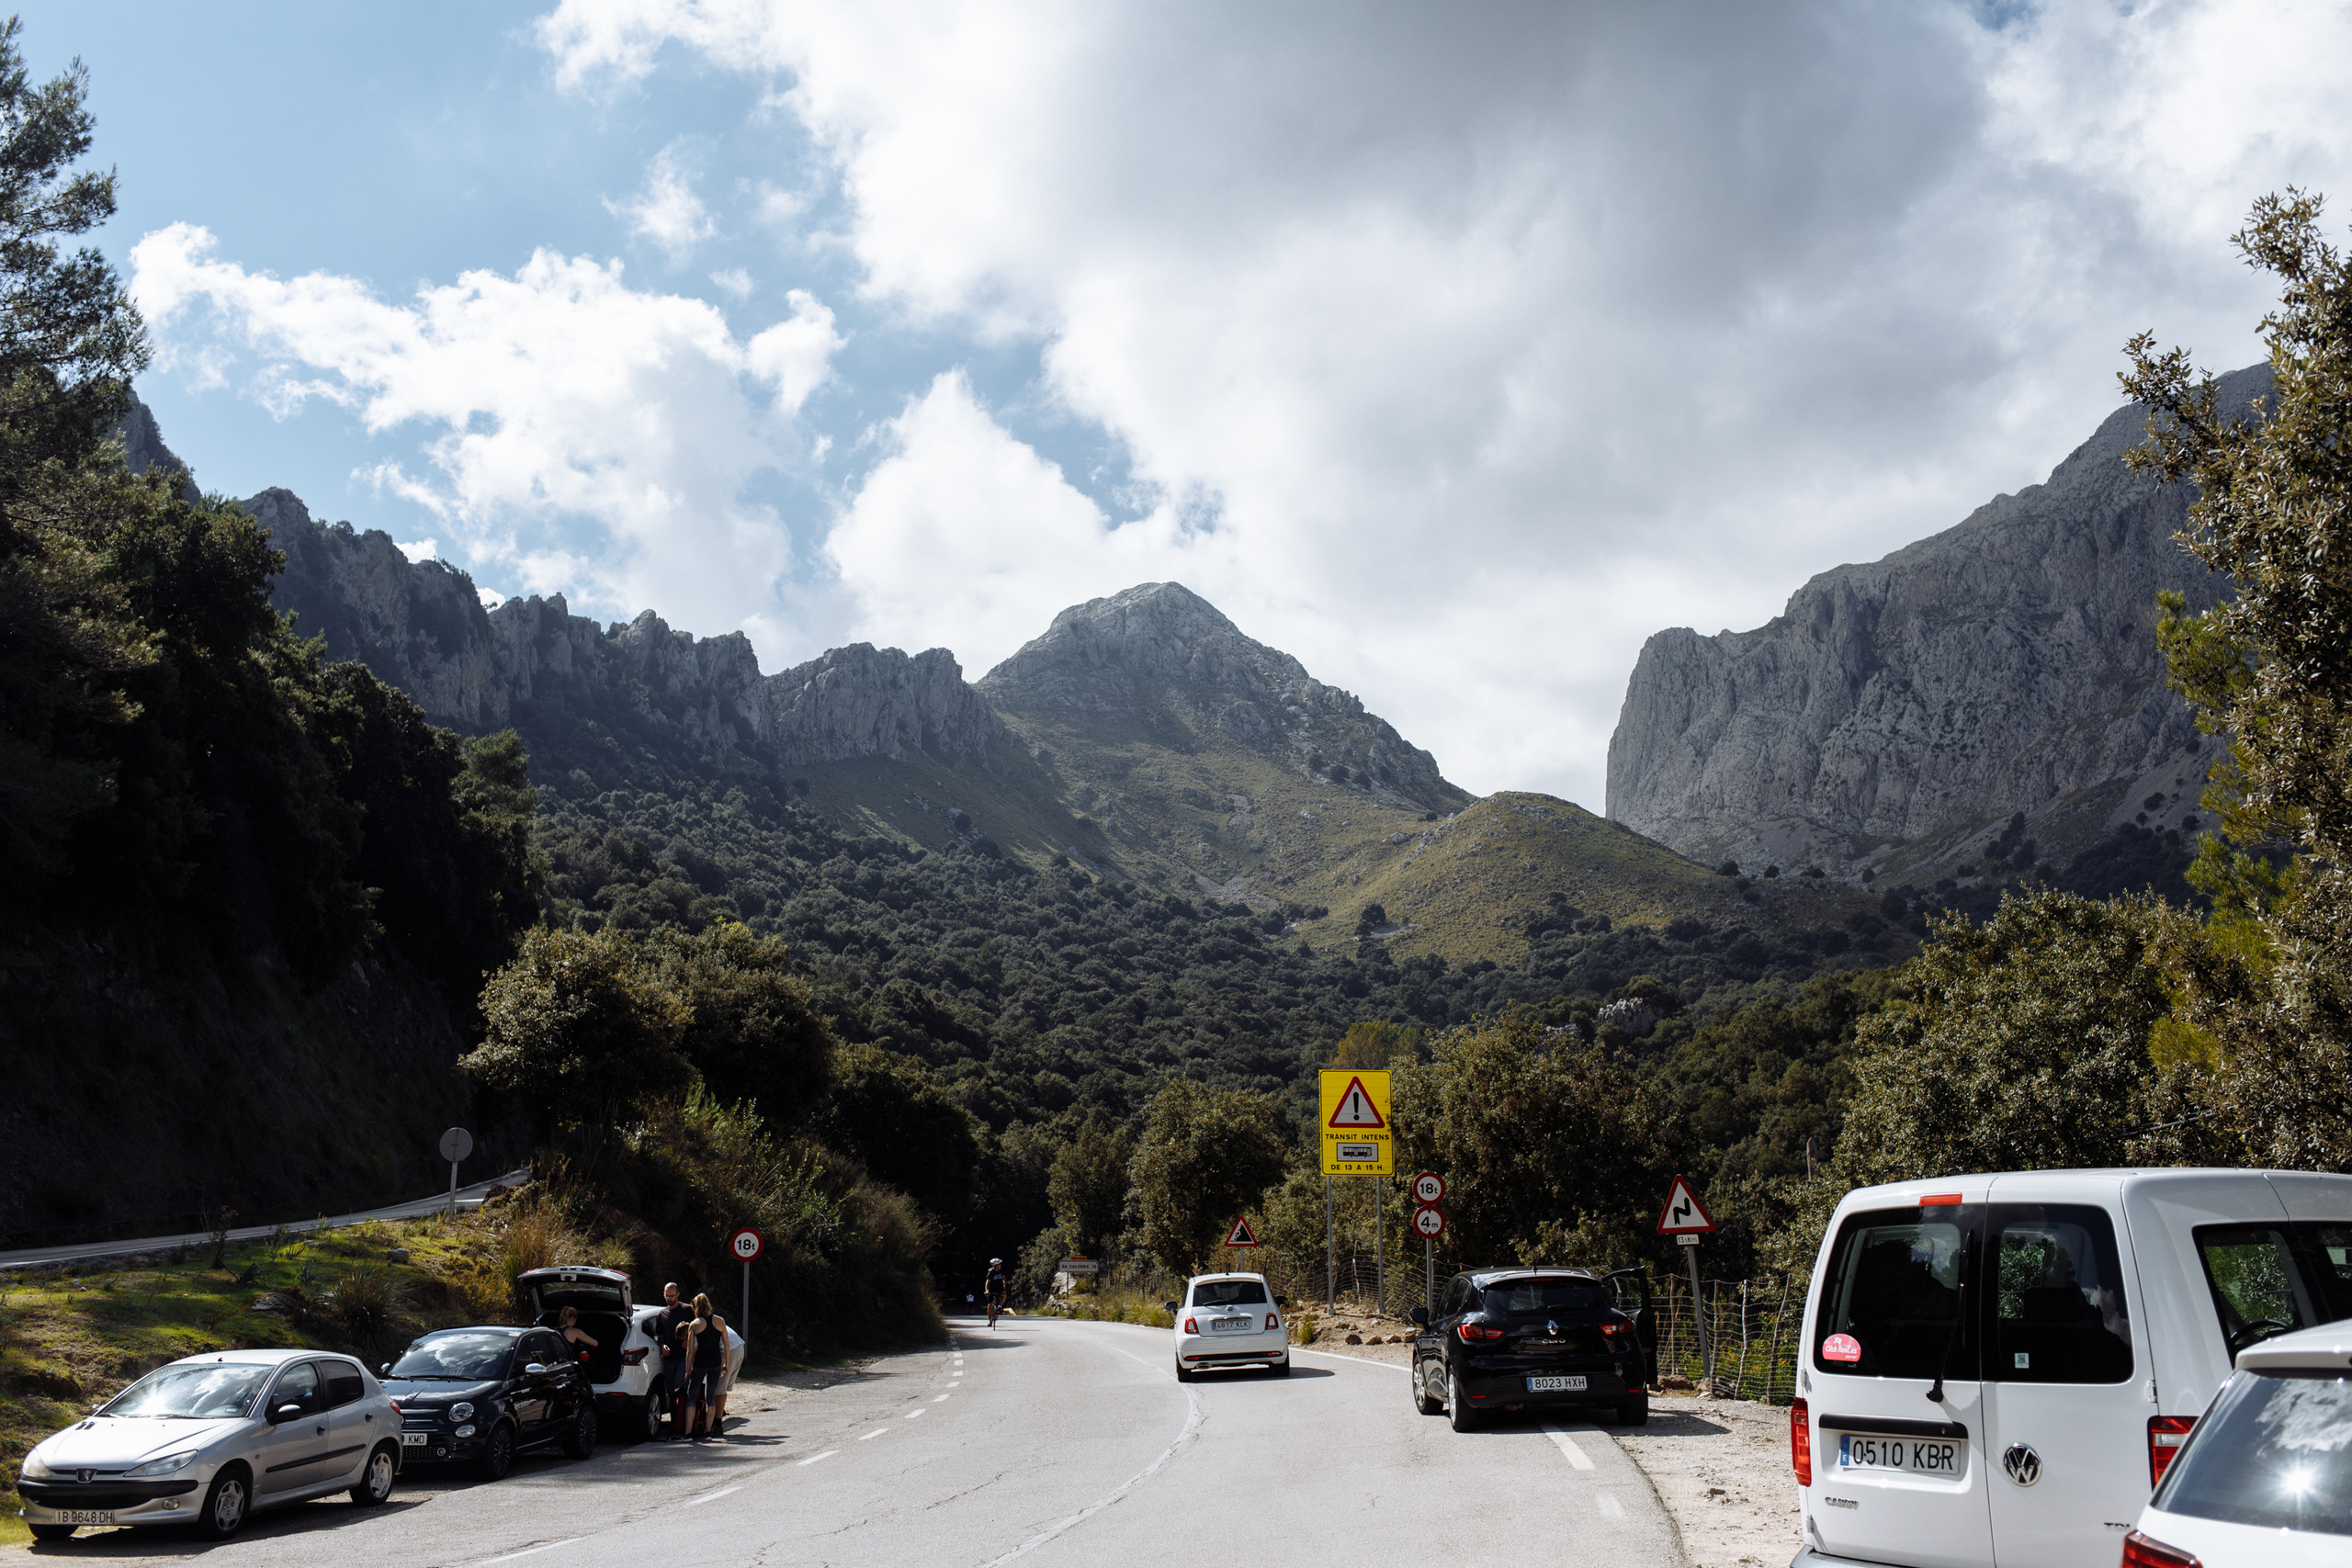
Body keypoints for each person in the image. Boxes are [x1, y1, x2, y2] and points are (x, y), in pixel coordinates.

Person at [679, 1292, 729, 1440]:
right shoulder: (720, 1321)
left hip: (700, 1363)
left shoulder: (695, 1324)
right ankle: (708, 1431)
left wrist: (688, 1369)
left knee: (692, 1398)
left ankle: (688, 1433)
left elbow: (689, 1350)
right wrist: (726, 1363)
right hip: (715, 1363)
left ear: (696, 1308)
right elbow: (726, 1344)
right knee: (711, 1397)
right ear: (708, 1305)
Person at [654, 1281, 694, 1439]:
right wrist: (662, 1346)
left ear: (678, 1294)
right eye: (666, 1296)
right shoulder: (661, 1315)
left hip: (683, 1358)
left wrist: (688, 1341)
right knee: (671, 1393)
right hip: (669, 1360)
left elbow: (695, 1329)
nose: (669, 1299)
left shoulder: (687, 1310)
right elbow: (660, 1336)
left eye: (672, 1296)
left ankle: (683, 1427)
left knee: (681, 1391)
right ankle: (673, 1426)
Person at [710, 1316, 746, 1428]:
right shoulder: (711, 1320)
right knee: (723, 1386)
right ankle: (720, 1411)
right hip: (738, 1345)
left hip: (729, 1349)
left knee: (719, 1387)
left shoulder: (698, 1325)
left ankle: (717, 1421)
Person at [984, 1258, 1008, 1328]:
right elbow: (987, 1282)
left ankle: (999, 1306)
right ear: (996, 1265)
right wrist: (986, 1290)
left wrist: (1004, 1285)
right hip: (992, 1289)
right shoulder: (991, 1272)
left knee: (1004, 1295)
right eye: (999, 1264)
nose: (1000, 1265)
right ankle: (989, 1320)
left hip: (999, 1288)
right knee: (990, 1304)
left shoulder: (1001, 1271)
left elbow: (1004, 1279)